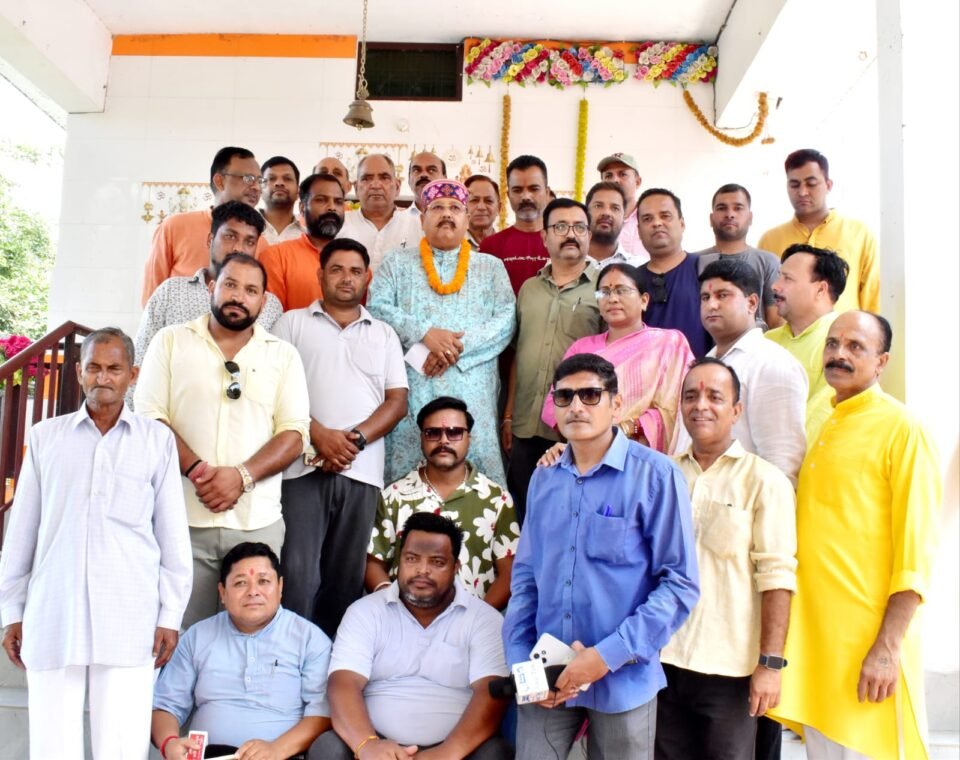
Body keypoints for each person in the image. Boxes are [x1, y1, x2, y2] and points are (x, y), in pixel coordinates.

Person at [0, 328, 193, 760]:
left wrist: (170, 615)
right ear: (78, 373)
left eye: (114, 368)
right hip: (54, 609)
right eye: (94, 368)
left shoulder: (156, 440)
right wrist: (12, 612)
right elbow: (21, 533)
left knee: (121, 746)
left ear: (132, 375)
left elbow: (172, 536)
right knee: (52, 746)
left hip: (130, 612)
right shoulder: (46, 438)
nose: (103, 377)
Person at [503, 353, 699, 760]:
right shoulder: (544, 477)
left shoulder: (656, 475)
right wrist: (521, 662)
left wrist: (605, 656)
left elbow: (679, 584)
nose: (576, 406)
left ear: (616, 403)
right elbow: (526, 577)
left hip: (624, 677)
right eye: (565, 397)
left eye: (590, 395)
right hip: (547, 675)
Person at [770, 311, 941, 760]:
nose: (838, 354)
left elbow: (916, 554)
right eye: (832, 343)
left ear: (882, 362)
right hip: (819, 648)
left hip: (870, 651)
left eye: (855, 347)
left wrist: (886, 648)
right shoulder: (822, 421)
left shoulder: (903, 428)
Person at [135, 253, 311, 629]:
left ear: (263, 301)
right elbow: (149, 417)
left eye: (251, 290)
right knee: (176, 634)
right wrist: (198, 471)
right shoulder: (171, 341)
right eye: (230, 285)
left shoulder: (282, 355)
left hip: (257, 523)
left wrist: (241, 477)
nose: (238, 297)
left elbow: (296, 433)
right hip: (180, 519)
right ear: (212, 287)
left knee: (251, 634)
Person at [656, 358, 797, 760]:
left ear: (736, 410)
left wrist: (770, 665)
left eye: (715, 397)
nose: (701, 405)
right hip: (662, 661)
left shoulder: (765, 481)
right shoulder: (663, 474)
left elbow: (777, 578)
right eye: (691, 396)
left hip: (730, 670)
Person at [272, 237, 408, 638]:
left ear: (367, 277)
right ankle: (289, 657)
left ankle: (333, 664)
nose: (346, 278)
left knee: (345, 578)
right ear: (320, 276)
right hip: (301, 468)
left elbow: (397, 402)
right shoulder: (291, 324)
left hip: (361, 471)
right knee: (296, 573)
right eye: (336, 269)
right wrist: (319, 435)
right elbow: (273, 392)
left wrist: (353, 441)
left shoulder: (384, 334)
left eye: (355, 271)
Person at [311, 512, 512, 760]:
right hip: (375, 743)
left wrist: (446, 753)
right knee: (328, 749)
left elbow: (490, 694)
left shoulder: (484, 619)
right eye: (412, 559)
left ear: (455, 568)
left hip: (455, 750)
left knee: (495, 753)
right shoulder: (365, 612)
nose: (422, 570)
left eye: (437, 562)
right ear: (399, 561)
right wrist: (368, 745)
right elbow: (343, 683)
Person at [368, 178, 515, 486]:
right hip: (414, 385)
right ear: (422, 218)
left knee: (479, 484)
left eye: (455, 208)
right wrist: (424, 335)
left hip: (472, 388)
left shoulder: (490, 267)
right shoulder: (396, 263)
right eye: (437, 207)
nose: (446, 213)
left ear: (467, 219)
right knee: (408, 481)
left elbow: (506, 321)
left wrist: (453, 349)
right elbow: (377, 308)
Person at [152, 542, 332, 760]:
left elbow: (323, 713)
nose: (253, 592)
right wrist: (169, 743)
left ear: (280, 586)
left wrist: (277, 750)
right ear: (222, 592)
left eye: (263, 581)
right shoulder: (197, 636)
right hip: (210, 755)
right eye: (240, 583)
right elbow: (166, 705)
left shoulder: (309, 639)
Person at [366, 397, 519, 609]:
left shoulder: (497, 499)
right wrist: (392, 607)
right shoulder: (394, 496)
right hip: (404, 620)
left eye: (454, 432)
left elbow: (509, 573)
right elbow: (373, 563)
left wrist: (477, 619)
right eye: (433, 433)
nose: (444, 441)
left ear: (469, 438)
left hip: (472, 621)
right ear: (422, 438)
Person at [504, 198, 601, 524]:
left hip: (574, 426)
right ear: (544, 237)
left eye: (579, 227)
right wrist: (508, 416)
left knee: (569, 518)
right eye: (560, 227)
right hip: (524, 425)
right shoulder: (529, 288)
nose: (570, 234)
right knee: (523, 514)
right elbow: (519, 353)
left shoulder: (604, 288)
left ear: (589, 235)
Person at [675, 258, 808, 486]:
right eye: (705, 297)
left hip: (741, 503)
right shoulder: (704, 364)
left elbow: (782, 466)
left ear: (752, 303)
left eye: (722, 295)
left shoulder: (772, 364)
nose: (711, 305)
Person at [541, 263, 693, 453]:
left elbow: (678, 407)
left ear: (644, 300)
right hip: (587, 451)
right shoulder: (581, 348)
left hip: (643, 452)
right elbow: (553, 404)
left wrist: (628, 428)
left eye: (622, 291)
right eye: (604, 292)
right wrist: (587, 434)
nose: (612, 298)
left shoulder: (669, 343)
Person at [134, 200, 283, 368]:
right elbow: (141, 359)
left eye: (249, 242)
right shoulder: (170, 292)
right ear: (210, 240)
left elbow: (275, 368)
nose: (238, 248)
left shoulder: (269, 305)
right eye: (230, 236)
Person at [758, 148, 879, 313]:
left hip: (844, 328)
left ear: (828, 185)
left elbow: (873, 298)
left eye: (811, 184)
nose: (802, 192)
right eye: (794, 185)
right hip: (786, 330)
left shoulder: (858, 233)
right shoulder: (770, 240)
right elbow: (765, 301)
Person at [141, 146, 265, 305]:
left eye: (259, 181)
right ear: (219, 181)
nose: (256, 187)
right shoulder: (174, 227)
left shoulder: (261, 242)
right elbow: (151, 299)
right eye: (248, 178)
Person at [766, 243, 849, 445]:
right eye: (779, 276)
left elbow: (822, 415)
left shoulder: (843, 345)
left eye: (787, 278)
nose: (775, 286)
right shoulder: (767, 341)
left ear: (820, 289)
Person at [635, 188, 712, 357]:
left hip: (700, 371)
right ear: (639, 230)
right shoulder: (630, 280)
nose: (657, 223)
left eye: (665, 216)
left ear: (682, 224)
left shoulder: (708, 269)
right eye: (647, 219)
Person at [696, 183, 783, 328]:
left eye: (738, 208)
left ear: (750, 218)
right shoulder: (695, 262)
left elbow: (776, 323)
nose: (730, 214)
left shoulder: (768, 262)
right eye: (722, 208)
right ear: (711, 219)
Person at [260, 172, 346, 311]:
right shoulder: (276, 257)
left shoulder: (356, 262)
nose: (332, 207)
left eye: (338, 202)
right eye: (321, 200)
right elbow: (271, 317)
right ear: (302, 208)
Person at [337, 153, 423, 271]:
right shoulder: (340, 224)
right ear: (356, 188)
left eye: (384, 178)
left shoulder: (419, 225)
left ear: (397, 187)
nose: (376, 185)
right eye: (366, 178)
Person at [480, 154, 552, 295]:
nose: (526, 196)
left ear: (547, 192)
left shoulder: (562, 243)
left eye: (534, 189)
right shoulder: (490, 247)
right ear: (508, 195)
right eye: (517, 190)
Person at [597, 152, 649, 262]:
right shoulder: (592, 220)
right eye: (608, 176)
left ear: (637, 182)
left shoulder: (651, 218)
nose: (615, 180)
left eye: (622, 174)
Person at [584, 181, 645, 268]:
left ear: (624, 216)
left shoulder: (639, 267)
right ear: (585, 214)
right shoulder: (566, 262)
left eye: (615, 208)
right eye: (598, 206)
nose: (606, 213)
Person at [260, 155, 303, 245]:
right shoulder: (244, 226)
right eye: (271, 178)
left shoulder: (309, 235)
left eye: (287, 179)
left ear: (298, 192)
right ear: (260, 190)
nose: (279, 183)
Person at [465, 174, 500, 250]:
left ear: (499, 208)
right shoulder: (451, 246)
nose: (481, 207)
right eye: (474, 200)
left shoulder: (508, 246)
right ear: (463, 207)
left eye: (488, 201)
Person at [407, 151, 447, 215]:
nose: (423, 175)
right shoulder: (396, 219)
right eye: (416, 170)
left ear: (444, 179)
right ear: (409, 179)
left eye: (432, 170)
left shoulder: (458, 219)